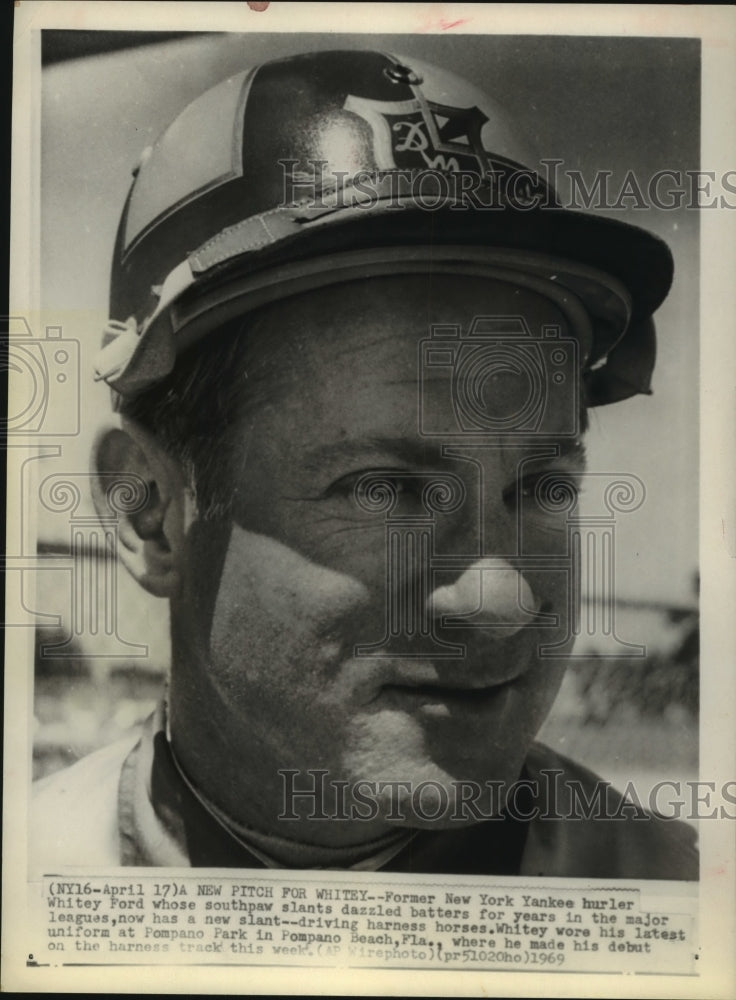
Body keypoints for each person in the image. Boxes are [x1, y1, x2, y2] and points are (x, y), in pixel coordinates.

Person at [32, 47, 697, 877]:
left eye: (542, 487)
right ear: (149, 511)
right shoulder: (26, 886)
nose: (500, 601)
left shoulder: (685, 900)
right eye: (386, 489)